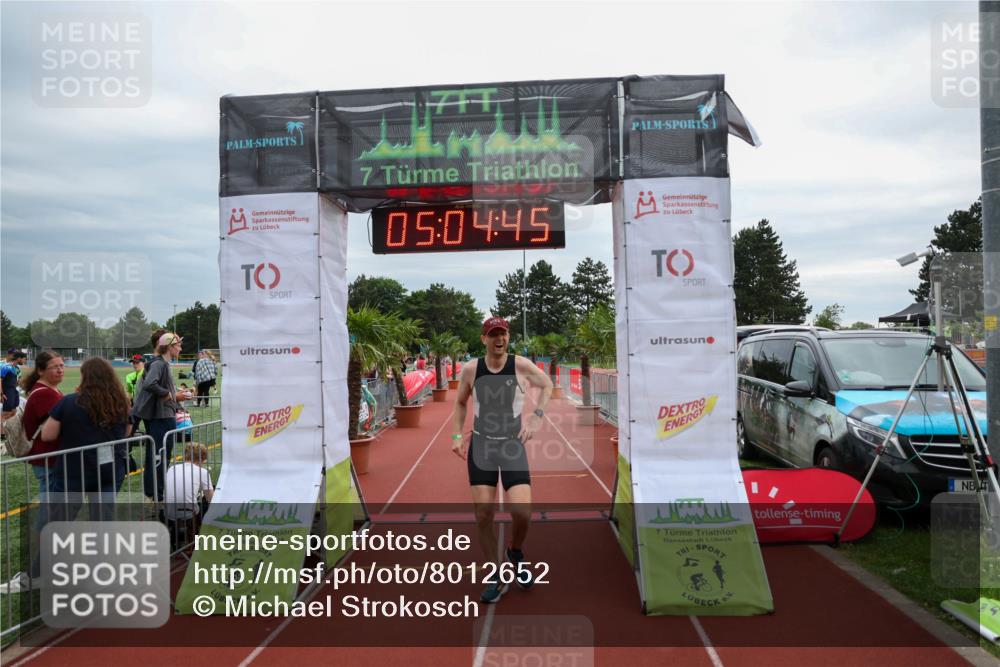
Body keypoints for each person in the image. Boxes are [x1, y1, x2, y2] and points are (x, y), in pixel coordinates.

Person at [452, 316, 553, 603]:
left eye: (504, 333)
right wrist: (456, 436)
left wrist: (536, 418)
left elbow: (546, 385)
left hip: (511, 444)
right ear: (483, 338)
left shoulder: (520, 365)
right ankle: (496, 575)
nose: (500, 339)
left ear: (508, 337)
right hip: (482, 444)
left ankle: (515, 551)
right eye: (493, 334)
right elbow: (460, 402)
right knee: (483, 513)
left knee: (522, 511)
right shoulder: (472, 369)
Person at [0, 351, 65, 593]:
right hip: (47, 460)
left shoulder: (48, 391)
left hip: (49, 459)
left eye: (61, 365)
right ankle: (38, 571)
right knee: (50, 514)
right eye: (54, 366)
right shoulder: (45, 394)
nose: (60, 370)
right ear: (40, 370)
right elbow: (58, 426)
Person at [42, 357, 130, 522]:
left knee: (60, 521)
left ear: (85, 377)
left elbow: (47, 435)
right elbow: (126, 432)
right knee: (104, 520)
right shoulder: (121, 402)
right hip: (109, 469)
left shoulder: (69, 401)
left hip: (73, 470)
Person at [131, 332, 193, 502]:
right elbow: (151, 384)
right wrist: (167, 394)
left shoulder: (161, 364)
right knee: (159, 455)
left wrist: (175, 395)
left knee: (159, 454)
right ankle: (156, 493)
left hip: (162, 415)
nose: (180, 348)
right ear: (170, 347)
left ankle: (156, 491)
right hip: (160, 417)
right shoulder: (160, 364)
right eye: (178, 345)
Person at [164, 442, 214, 543]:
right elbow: (211, 498)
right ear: (202, 458)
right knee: (208, 505)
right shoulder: (202, 471)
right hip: (188, 513)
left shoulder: (172, 468)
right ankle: (202, 534)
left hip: (167, 512)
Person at [1, 350, 27, 422]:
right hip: (7, 391)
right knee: (6, 413)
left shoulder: (16, 368)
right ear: (19, 358)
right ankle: (2, 431)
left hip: (14, 391)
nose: (25, 361)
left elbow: (17, 381)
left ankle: (3, 427)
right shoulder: (6, 367)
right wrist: (1, 393)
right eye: (24, 359)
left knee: (13, 411)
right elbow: (1, 380)